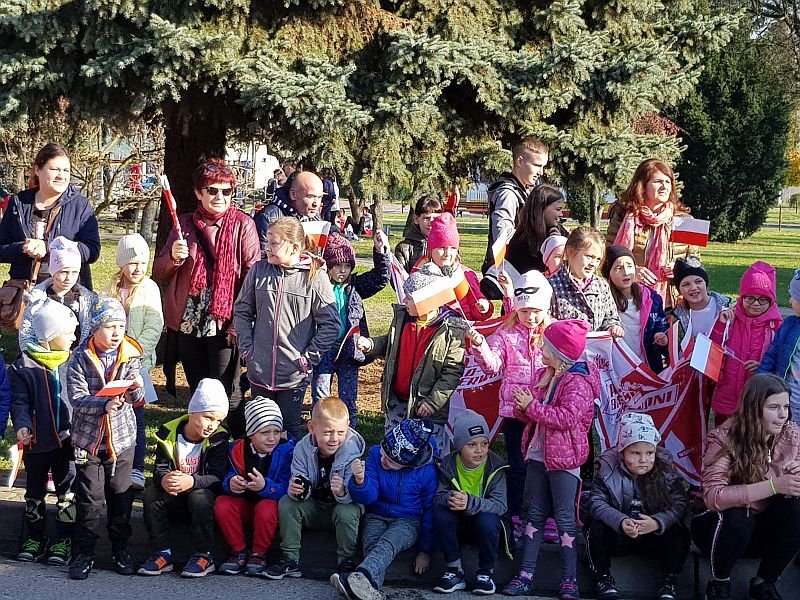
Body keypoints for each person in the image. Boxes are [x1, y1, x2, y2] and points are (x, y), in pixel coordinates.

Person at [153, 158, 259, 438]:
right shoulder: (184, 225)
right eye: (212, 190)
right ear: (198, 192)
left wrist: (240, 322)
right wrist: (174, 258)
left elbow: (253, 278)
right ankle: (202, 450)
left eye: (226, 191)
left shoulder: (243, 225)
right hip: (189, 321)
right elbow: (159, 271)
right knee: (200, 391)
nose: (219, 197)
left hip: (225, 322)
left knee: (227, 392)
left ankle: (236, 447)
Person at [503, 319, 600, 600]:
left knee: (564, 518)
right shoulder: (546, 375)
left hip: (565, 460)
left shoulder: (578, 382)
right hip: (538, 454)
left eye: (545, 346)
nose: (541, 349)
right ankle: (525, 575)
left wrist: (531, 407)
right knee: (534, 515)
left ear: (560, 353)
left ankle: (569, 580)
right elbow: (531, 412)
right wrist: (522, 407)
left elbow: (566, 418)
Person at [691, 373, 800, 600]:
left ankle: (765, 582)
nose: (783, 415)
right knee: (739, 513)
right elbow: (713, 496)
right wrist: (774, 486)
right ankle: (719, 583)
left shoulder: (792, 434)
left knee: (796, 507)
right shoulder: (724, 438)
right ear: (753, 409)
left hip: (763, 531)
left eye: (786, 406)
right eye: (774, 407)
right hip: (719, 531)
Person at [233, 217, 340, 442]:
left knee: (289, 429)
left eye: (274, 243)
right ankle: (260, 464)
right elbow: (242, 310)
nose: (267, 248)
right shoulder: (259, 270)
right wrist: (247, 349)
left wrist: (307, 358)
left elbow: (331, 325)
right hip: (259, 369)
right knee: (260, 426)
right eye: (267, 242)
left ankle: (289, 465)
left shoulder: (315, 277)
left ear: (294, 247)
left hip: (293, 374)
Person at [466, 270, 551, 534]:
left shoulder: (552, 334)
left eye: (536, 311)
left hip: (545, 413)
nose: (530, 317)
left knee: (546, 464)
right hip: (515, 414)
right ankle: (514, 514)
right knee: (517, 466)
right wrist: (480, 346)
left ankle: (545, 516)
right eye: (524, 311)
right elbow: (492, 366)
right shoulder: (506, 335)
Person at [66, 297, 144, 580]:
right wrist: (103, 404)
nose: (116, 333)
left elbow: (137, 397)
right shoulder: (79, 358)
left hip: (122, 440)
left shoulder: (131, 354)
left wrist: (135, 388)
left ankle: (120, 550)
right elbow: (76, 398)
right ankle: (84, 553)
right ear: (95, 328)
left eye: (121, 327)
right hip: (88, 441)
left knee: (121, 498)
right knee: (90, 500)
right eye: (110, 327)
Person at [359, 263, 467, 454]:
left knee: (428, 454)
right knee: (394, 451)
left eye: (410, 298)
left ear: (426, 301)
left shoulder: (451, 330)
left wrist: (432, 403)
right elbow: (391, 342)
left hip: (427, 409)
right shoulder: (403, 318)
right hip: (397, 403)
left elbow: (451, 373)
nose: (404, 300)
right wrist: (371, 345)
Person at [331, 418, 438, 600]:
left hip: (409, 519)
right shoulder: (374, 455)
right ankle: (367, 590)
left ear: (408, 464)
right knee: (372, 544)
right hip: (376, 514)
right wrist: (360, 481)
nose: (383, 461)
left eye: (390, 462)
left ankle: (360, 576)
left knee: (389, 541)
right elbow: (369, 497)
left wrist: (425, 551)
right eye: (383, 453)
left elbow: (429, 511)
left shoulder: (427, 471)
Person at [587, 413, 690, 600]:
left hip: (652, 535)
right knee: (595, 528)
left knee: (679, 531)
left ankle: (668, 580)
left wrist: (657, 523)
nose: (643, 459)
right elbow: (596, 502)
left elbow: (680, 503)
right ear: (622, 453)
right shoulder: (607, 468)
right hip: (620, 534)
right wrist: (620, 521)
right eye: (635, 453)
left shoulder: (665, 469)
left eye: (649, 453)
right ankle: (603, 577)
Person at [138, 379, 229, 578]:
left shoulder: (219, 439)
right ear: (192, 412)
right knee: (151, 494)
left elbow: (217, 477)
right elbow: (159, 469)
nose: (212, 426)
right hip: (175, 497)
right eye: (208, 418)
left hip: (202, 499)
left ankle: (203, 555)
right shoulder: (168, 433)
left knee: (200, 497)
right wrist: (165, 479)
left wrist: (192, 482)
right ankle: (162, 553)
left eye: (218, 421)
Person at [265, 396, 365, 579]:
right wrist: (298, 490)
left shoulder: (352, 452)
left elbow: (358, 494)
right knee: (287, 503)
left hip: (340, 506)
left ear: (348, 426)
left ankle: (346, 561)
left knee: (347, 511)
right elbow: (299, 477)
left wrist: (343, 491)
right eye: (327, 432)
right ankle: (290, 559)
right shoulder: (302, 449)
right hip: (314, 506)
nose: (334, 439)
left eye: (340, 432)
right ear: (311, 427)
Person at [9, 299, 72, 566]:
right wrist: (22, 424)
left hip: (69, 441)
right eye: (68, 332)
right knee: (34, 492)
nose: (73, 337)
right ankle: (35, 537)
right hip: (37, 441)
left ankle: (65, 539)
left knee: (67, 493)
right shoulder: (23, 366)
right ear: (50, 336)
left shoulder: (74, 361)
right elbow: (19, 401)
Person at [312, 232, 390, 426]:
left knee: (349, 399)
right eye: (338, 265)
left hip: (349, 351)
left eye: (347, 266)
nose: (343, 271)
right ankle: (321, 431)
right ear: (328, 266)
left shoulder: (355, 286)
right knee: (320, 397)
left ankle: (349, 434)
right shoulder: (317, 285)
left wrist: (380, 251)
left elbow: (381, 277)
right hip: (323, 351)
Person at [0, 143, 101, 289]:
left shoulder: (80, 206)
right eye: (54, 169)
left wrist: (50, 247)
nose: (61, 176)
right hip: (25, 293)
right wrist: (23, 248)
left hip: (68, 293)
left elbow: (92, 250)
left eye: (66, 170)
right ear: (37, 170)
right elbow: (2, 248)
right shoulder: (19, 203)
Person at [216, 397, 295, 576]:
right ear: (251, 433)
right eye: (265, 432)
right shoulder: (236, 449)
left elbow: (286, 488)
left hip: (269, 507)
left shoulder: (287, 451)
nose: (272, 438)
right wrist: (230, 483)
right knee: (222, 504)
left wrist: (265, 487)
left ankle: (259, 553)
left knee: (267, 507)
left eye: (277, 432)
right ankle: (238, 551)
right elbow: (225, 475)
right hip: (244, 504)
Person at [432, 410, 508, 596]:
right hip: (459, 526)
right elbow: (436, 499)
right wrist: (450, 497)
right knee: (441, 515)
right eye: (472, 444)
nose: (479, 450)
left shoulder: (496, 466)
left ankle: (486, 573)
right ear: (459, 446)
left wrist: (470, 502)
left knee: (488, 520)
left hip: (485, 528)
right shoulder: (447, 464)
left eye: (484, 443)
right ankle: (455, 570)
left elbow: (500, 505)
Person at [110, 233, 164, 490]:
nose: (138, 268)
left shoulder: (149, 289)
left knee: (136, 416)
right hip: (112, 363)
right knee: (113, 413)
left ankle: (137, 468)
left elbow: (154, 326)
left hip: (136, 364)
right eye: (132, 263)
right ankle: (114, 464)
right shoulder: (111, 290)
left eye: (143, 263)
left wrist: (134, 352)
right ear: (122, 263)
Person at [606, 159, 697, 307]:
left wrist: (680, 268)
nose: (664, 187)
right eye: (658, 182)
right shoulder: (622, 217)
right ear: (642, 186)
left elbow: (696, 264)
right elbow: (607, 258)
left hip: (672, 304)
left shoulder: (685, 220)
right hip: (630, 302)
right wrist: (632, 272)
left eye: (668, 182)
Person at [710, 262, 782, 423]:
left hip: (758, 396)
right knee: (723, 435)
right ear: (741, 297)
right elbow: (712, 351)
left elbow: (780, 360)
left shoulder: (776, 326)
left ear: (771, 301)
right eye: (750, 298)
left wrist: (763, 365)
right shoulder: (729, 319)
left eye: (763, 299)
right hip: (728, 393)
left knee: (753, 434)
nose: (755, 304)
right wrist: (721, 325)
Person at [481, 137, 549, 298]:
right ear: (519, 161)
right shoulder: (508, 193)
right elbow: (503, 234)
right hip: (511, 270)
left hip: (519, 270)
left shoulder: (524, 190)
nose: (541, 172)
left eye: (543, 167)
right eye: (537, 165)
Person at [19, 236, 97, 351]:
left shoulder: (86, 299)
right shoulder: (38, 299)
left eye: (74, 272)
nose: (69, 278)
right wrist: (32, 353)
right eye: (64, 272)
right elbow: (27, 331)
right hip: (45, 355)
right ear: (53, 272)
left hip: (76, 356)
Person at [602, 245, 669, 373]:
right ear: (608, 273)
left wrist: (661, 335)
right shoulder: (604, 299)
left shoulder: (651, 298)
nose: (626, 272)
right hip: (617, 367)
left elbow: (661, 325)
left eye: (629, 266)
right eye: (618, 268)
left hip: (647, 366)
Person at [549, 226, 623, 335]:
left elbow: (611, 317)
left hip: (597, 345)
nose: (593, 264)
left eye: (598, 259)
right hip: (563, 344)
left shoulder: (601, 286)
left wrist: (613, 327)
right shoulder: (551, 285)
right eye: (589, 256)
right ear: (570, 251)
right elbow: (545, 320)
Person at [421, 213, 493, 321]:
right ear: (431, 250)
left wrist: (483, 307)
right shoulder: (421, 273)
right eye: (441, 248)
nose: (447, 254)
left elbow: (476, 301)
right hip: (431, 327)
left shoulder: (465, 275)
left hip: (462, 326)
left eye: (452, 248)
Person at [503, 183, 568, 280]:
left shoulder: (559, 231)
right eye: (558, 209)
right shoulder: (521, 242)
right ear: (541, 209)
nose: (561, 214)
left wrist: (559, 243)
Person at [759, 268, 800, 422]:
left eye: (793, 297)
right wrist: (760, 380)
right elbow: (772, 355)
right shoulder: (789, 325)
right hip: (788, 402)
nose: (790, 301)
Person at [255, 171, 326, 256]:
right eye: (310, 196)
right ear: (293, 194)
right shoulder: (269, 218)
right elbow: (260, 258)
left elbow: (319, 252)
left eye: (319, 197)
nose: (316, 204)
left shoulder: (313, 216)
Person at [671, 256, 730, 350]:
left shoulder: (728, 306)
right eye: (686, 284)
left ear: (705, 283)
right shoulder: (676, 318)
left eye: (698, 282)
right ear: (679, 290)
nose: (693, 288)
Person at [394, 194, 443, 274]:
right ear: (416, 219)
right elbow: (399, 277)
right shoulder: (404, 248)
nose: (431, 223)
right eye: (426, 218)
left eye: (436, 218)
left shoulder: (448, 247)